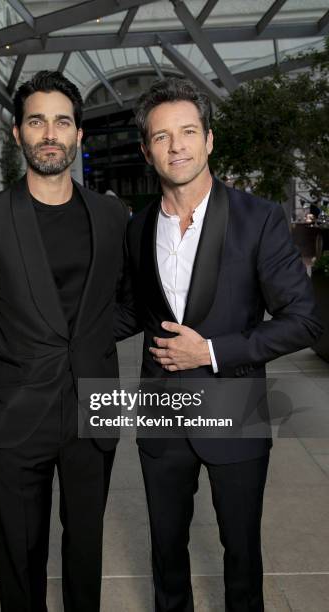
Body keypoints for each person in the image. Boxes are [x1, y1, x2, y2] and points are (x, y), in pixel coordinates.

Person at [115, 78, 322, 612]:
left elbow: (303, 321)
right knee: (165, 553)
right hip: (161, 414)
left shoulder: (259, 218)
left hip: (234, 405)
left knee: (241, 556)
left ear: (209, 140)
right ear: (146, 150)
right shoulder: (137, 227)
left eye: (187, 132)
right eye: (162, 137)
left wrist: (209, 351)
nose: (176, 145)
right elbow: (134, 311)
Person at [0, 70, 128, 612]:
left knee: (86, 551)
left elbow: (129, 304)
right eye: (37, 120)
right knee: (20, 560)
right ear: (19, 134)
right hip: (12, 413)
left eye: (62, 121)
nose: (50, 132)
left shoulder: (111, 215)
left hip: (95, 406)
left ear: (78, 136)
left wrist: (90, 342)